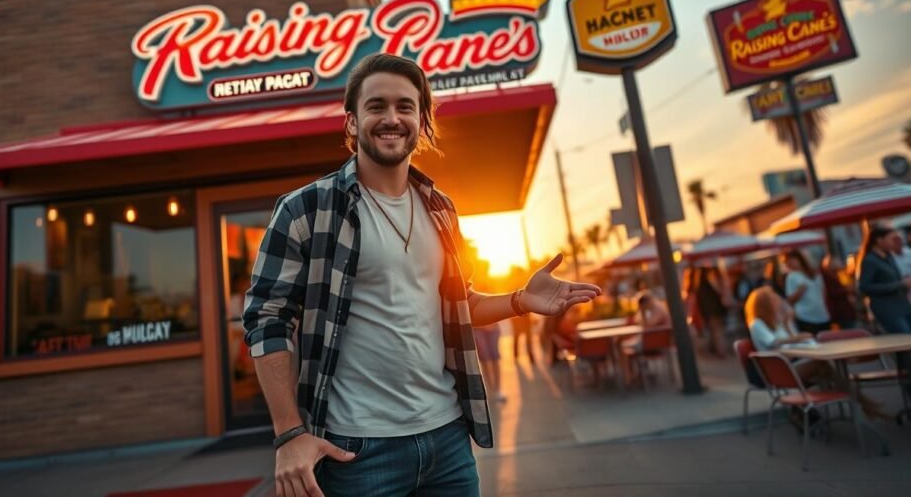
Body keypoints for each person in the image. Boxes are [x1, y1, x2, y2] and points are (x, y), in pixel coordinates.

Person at [243, 53, 602, 497]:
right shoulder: (306, 210)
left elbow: (458, 305)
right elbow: (266, 319)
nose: (391, 118)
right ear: (352, 122)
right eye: (376, 106)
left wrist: (518, 300)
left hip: (447, 441)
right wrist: (289, 433)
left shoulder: (441, 209)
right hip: (355, 451)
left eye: (405, 106)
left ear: (422, 121)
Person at [744, 287, 888, 420]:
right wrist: (798, 337)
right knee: (824, 366)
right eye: (774, 300)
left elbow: (790, 341)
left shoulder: (776, 322)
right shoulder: (757, 324)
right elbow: (774, 342)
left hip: (790, 364)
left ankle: (858, 404)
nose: (778, 302)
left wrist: (788, 322)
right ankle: (863, 404)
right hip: (779, 372)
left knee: (829, 370)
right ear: (764, 304)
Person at [857, 223, 911, 373]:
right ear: (879, 240)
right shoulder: (870, 260)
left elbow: (894, 279)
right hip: (888, 309)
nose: (893, 242)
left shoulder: (889, 257)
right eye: (890, 239)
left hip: (903, 305)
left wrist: (903, 282)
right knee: (905, 345)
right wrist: (898, 284)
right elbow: (864, 287)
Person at [619, 291, 671, 385]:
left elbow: (647, 326)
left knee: (622, 347)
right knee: (624, 345)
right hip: (655, 341)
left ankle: (628, 379)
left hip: (653, 343)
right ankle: (635, 374)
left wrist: (642, 312)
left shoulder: (657, 310)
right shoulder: (656, 308)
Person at [782, 250, 831, 335]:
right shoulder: (791, 277)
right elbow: (789, 299)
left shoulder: (815, 273)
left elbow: (823, 292)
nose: (789, 263)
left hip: (822, 314)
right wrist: (799, 291)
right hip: (805, 317)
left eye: (791, 260)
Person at [694, 266, 729, 357]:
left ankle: (718, 350)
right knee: (718, 331)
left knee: (714, 332)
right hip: (715, 311)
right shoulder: (710, 284)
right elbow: (719, 295)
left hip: (708, 313)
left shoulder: (699, 287)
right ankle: (721, 351)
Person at [820, 255, 858, 330]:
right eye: (837, 261)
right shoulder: (828, 277)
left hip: (846, 309)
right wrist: (847, 290)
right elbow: (831, 292)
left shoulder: (841, 275)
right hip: (840, 311)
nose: (840, 263)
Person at [472, 322, 505, 403]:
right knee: (484, 358)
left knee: (495, 356)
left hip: (493, 327)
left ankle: (497, 389)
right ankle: (491, 390)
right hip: (477, 327)